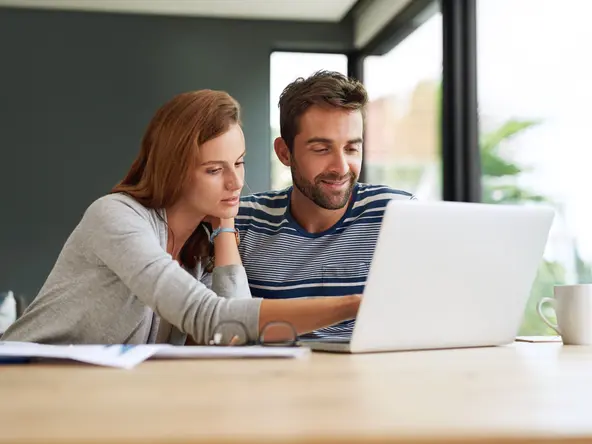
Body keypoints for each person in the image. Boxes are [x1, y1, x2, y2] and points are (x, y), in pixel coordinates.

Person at [0, 89, 360, 345]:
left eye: (239, 163)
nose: (237, 181)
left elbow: (230, 338)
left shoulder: (197, 251)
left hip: (95, 397)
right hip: (24, 383)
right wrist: (353, 305)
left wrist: (226, 224)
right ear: (173, 171)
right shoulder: (115, 217)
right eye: (215, 169)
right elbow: (210, 317)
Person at [236, 71, 415, 339]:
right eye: (321, 149)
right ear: (284, 153)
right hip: (276, 377)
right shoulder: (243, 221)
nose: (341, 168)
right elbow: (224, 327)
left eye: (352, 149)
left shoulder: (398, 214)